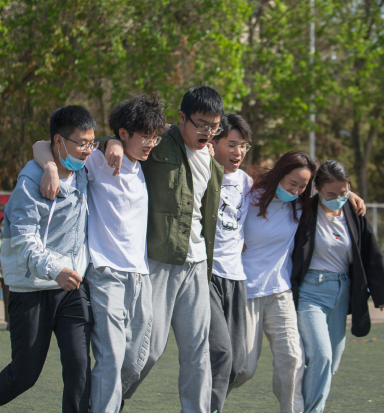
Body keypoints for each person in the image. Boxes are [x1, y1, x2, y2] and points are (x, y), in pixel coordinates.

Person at [34, 94, 165, 412]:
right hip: (106, 273)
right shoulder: (96, 161)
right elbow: (41, 144)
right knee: (111, 356)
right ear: (124, 133)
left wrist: (114, 142)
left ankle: (98, 402)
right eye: (146, 136)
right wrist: (50, 167)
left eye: (155, 137)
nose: (151, 143)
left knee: (141, 357)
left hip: (141, 275)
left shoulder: (143, 165)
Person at [98, 85, 225, 412]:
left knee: (198, 351)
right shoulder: (158, 143)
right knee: (147, 350)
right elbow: (120, 142)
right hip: (159, 261)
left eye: (214, 127)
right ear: (182, 118)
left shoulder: (212, 160)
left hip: (197, 264)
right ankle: (105, 400)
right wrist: (110, 141)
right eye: (201, 124)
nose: (207, 133)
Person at [0, 105, 96, 413]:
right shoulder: (28, 184)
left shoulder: (86, 169)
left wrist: (113, 145)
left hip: (72, 287)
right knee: (25, 373)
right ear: (59, 142)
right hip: (31, 288)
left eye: (92, 143)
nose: (88, 150)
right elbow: (25, 242)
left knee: (79, 367)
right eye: (82, 143)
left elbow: (117, 142)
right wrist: (54, 269)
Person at [231, 153, 366, 413]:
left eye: (302, 186)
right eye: (292, 183)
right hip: (246, 291)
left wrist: (350, 196)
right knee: (244, 368)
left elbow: (330, 193)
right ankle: (210, 401)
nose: (295, 191)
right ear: (279, 174)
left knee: (293, 362)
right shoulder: (249, 193)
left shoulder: (302, 206)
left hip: (280, 292)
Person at [291, 160, 384, 413]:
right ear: (317, 189)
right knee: (321, 356)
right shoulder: (303, 209)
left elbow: (370, 252)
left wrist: (381, 294)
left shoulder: (354, 212)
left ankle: (303, 405)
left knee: (331, 362)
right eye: (331, 194)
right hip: (310, 293)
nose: (338, 199)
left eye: (343, 192)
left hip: (342, 292)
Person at [208, 113, 254, 413]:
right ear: (214, 143)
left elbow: (295, 187)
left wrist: (348, 194)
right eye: (232, 144)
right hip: (205, 274)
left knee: (237, 364)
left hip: (236, 277)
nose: (238, 152)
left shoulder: (249, 182)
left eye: (243, 146)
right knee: (221, 353)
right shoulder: (201, 170)